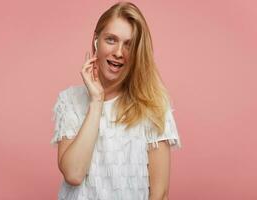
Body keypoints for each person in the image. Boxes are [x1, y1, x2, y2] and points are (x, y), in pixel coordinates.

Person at [50, 1, 182, 200]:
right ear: (96, 41)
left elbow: (160, 194)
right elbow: (73, 174)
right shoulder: (70, 101)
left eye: (129, 44)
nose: (119, 52)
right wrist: (96, 102)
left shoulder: (154, 105)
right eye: (111, 40)